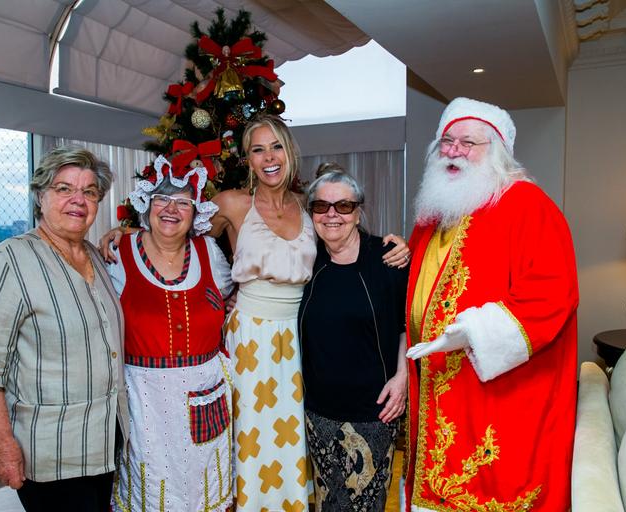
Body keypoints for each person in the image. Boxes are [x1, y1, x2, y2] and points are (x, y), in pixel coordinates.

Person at [100, 115, 410, 510]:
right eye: (257, 149)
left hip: (301, 341)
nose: (269, 157)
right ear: (247, 159)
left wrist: (391, 243)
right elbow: (176, 232)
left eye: (276, 146)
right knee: (251, 440)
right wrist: (130, 234)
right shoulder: (232, 204)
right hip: (249, 341)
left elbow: (343, 235)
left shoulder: (309, 209)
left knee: (296, 441)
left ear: (290, 152)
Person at [402, 97, 578, 511]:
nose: (454, 151)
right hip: (439, 388)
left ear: (496, 151)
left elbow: (554, 292)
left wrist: (476, 332)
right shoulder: (436, 212)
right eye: (448, 141)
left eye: (469, 142)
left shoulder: (527, 204)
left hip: (497, 395)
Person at [0, 146, 128, 511]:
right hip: (52, 458)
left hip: (103, 444)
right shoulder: (9, 262)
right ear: (41, 196)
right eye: (64, 189)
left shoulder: (95, 256)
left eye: (90, 192)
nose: (78, 200)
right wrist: (0, 448)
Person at [106, 156, 234, 511]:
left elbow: (228, 297)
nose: (172, 209)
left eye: (183, 202)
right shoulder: (120, 254)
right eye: (162, 199)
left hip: (205, 390)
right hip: (145, 400)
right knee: (151, 488)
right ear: (146, 206)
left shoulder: (209, 253)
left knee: (203, 488)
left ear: (196, 214)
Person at [298, 170, 408, 511]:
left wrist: (402, 378)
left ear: (358, 211)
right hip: (318, 414)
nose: (332, 214)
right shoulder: (304, 261)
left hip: (372, 414)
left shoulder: (388, 257)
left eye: (343, 205)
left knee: (366, 506)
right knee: (329, 503)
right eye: (321, 206)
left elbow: (409, 325)